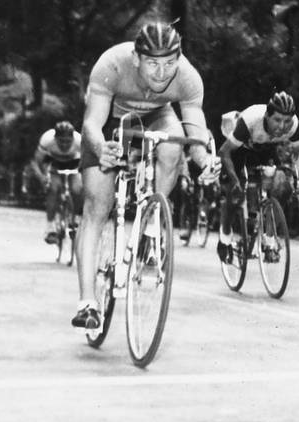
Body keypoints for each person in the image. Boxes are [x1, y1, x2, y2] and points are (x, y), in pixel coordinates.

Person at [73, 21, 214, 330]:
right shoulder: (111, 64)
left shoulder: (188, 77)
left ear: (179, 58)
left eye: (169, 63)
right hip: (110, 119)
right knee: (97, 207)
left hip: (156, 115)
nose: (162, 73)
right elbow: (92, 124)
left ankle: (151, 223)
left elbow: (195, 131)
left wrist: (205, 161)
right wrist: (100, 148)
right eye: (152, 63)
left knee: (173, 144)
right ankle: (87, 302)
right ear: (136, 58)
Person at [218, 91, 299, 261]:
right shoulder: (250, 120)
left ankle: (269, 239)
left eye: (287, 121)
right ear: (267, 116)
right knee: (234, 194)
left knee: (283, 187)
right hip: (240, 148)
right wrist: (235, 181)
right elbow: (224, 152)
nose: (282, 126)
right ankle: (225, 236)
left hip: (266, 147)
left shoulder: (294, 126)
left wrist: (295, 177)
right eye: (277, 120)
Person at [29, 120, 83, 244]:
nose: (64, 145)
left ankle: (75, 219)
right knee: (53, 189)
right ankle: (50, 228)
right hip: (55, 164)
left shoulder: (80, 141)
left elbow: (87, 163)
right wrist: (42, 177)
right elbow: (36, 162)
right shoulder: (47, 139)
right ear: (55, 138)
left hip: (74, 164)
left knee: (77, 189)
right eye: (61, 141)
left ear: (73, 138)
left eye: (68, 141)